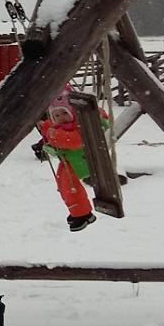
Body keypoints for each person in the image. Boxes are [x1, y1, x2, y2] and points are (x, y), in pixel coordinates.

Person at [36, 94, 101, 232]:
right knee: (63, 186)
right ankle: (77, 211)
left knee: (71, 187)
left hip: (83, 160)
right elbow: (53, 128)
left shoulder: (79, 126)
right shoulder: (62, 127)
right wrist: (46, 127)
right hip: (69, 161)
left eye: (65, 113)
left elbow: (74, 141)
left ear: (72, 112)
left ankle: (82, 214)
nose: (61, 118)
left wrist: (53, 135)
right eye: (57, 116)